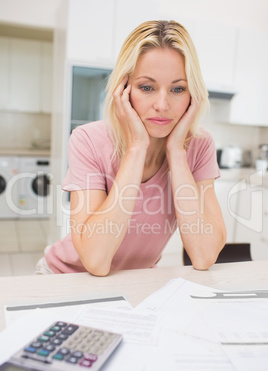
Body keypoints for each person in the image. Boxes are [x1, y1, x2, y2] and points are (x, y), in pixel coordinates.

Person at [35, 20, 226, 276]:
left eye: (178, 89)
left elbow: (204, 256)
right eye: (147, 87)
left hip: (133, 280)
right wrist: (137, 148)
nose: (162, 104)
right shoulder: (88, 140)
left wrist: (177, 154)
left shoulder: (199, 146)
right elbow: (96, 260)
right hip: (64, 276)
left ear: (193, 95)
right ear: (123, 90)